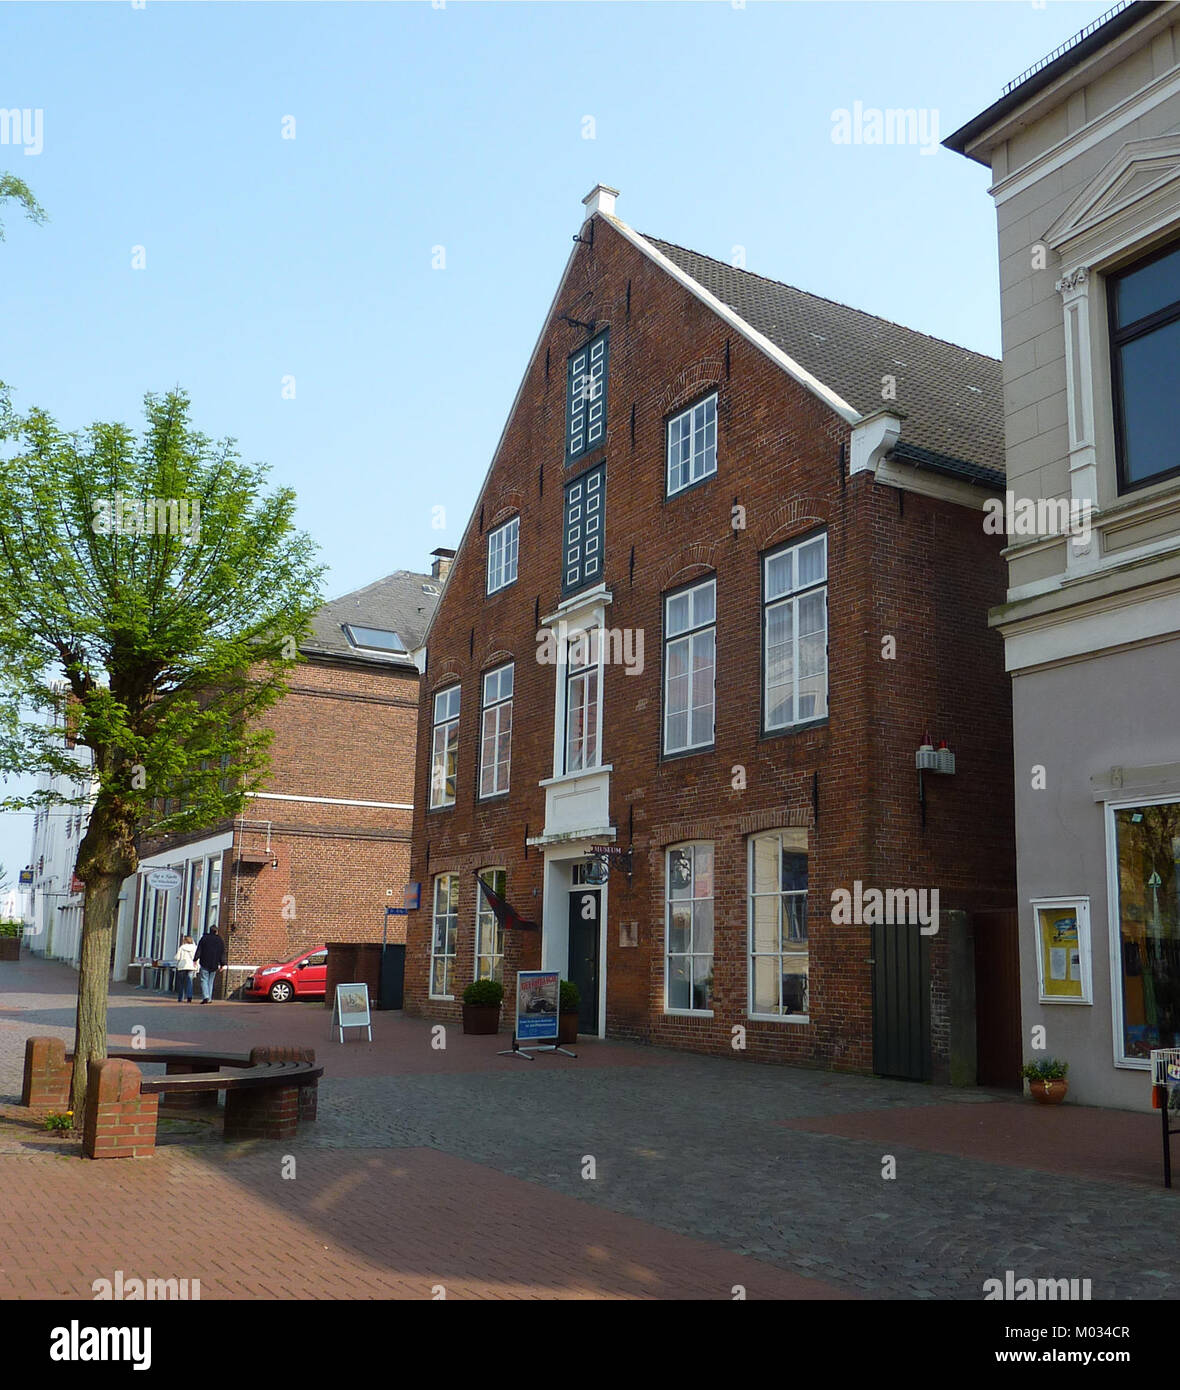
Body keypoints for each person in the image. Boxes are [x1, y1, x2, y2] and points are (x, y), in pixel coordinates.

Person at [194, 928, 226, 1003]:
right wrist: (222, 964)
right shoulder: (219, 940)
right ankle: (209, 998)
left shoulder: (204, 939)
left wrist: (195, 959)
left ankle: (206, 996)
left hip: (204, 962)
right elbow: (222, 953)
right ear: (216, 931)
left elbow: (199, 950)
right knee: (210, 981)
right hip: (214, 964)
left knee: (204, 980)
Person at [173, 934, 198, 1003]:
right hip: (191, 966)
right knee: (189, 982)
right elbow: (197, 957)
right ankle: (189, 997)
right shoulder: (195, 947)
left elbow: (177, 957)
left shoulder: (182, 947)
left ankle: (180, 997)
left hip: (182, 966)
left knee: (181, 982)